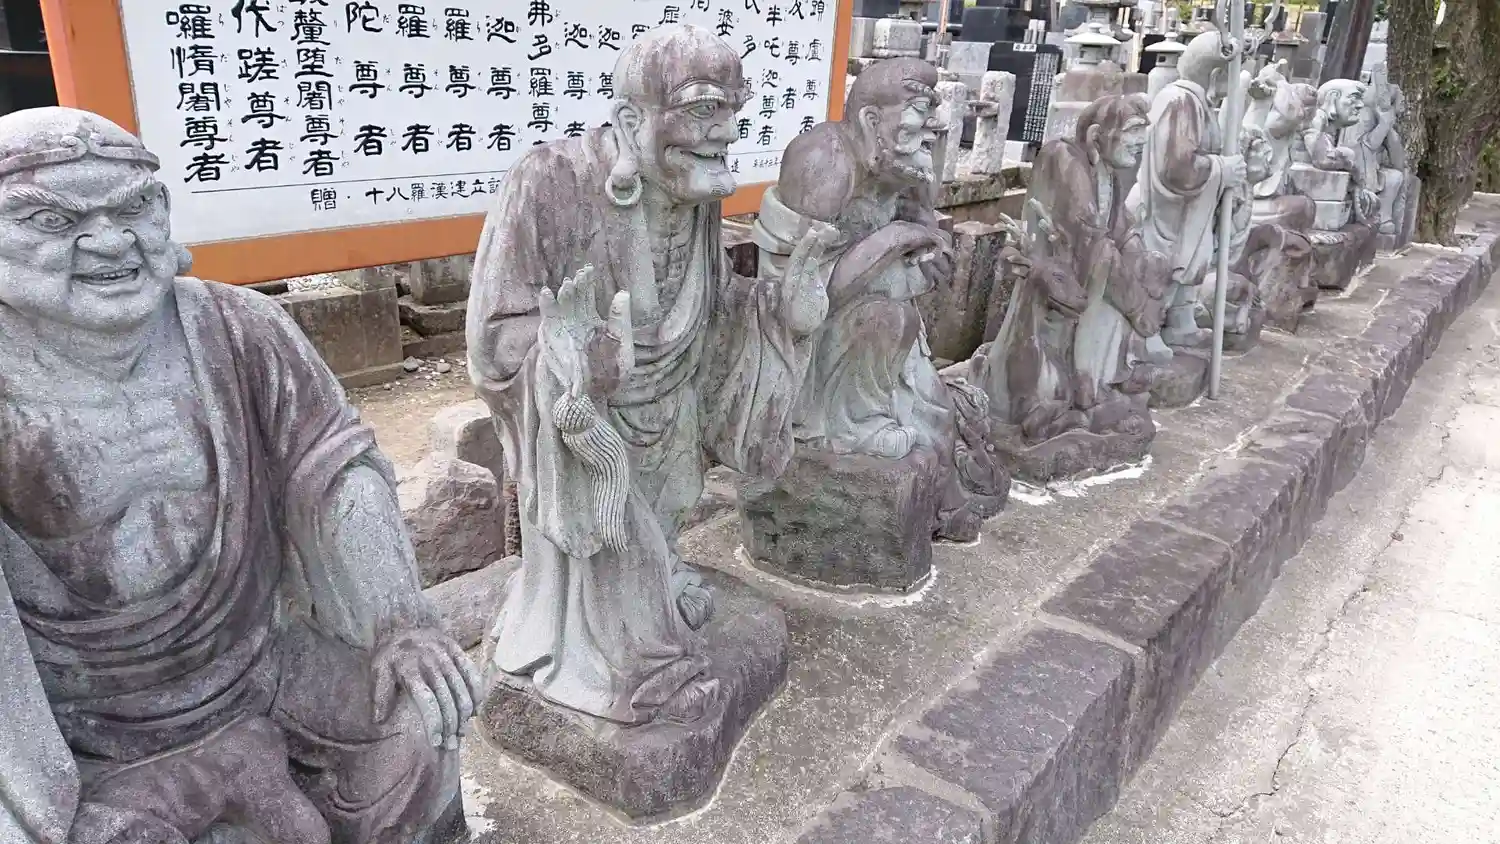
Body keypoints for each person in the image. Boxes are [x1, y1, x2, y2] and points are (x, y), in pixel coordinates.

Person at [0, 107, 479, 844]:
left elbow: (335, 469)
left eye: (132, 208)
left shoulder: (239, 325)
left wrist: (400, 625)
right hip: (88, 721)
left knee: (419, 720)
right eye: (53, 221)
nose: (111, 241)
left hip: (262, 661)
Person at [467, 25, 833, 726]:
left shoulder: (694, 192)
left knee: (656, 542)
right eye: (701, 109)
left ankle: (657, 577)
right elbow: (493, 335)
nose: (725, 131)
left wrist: (782, 317)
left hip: (670, 412)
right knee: (624, 617)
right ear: (631, 119)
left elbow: (714, 310)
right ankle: (606, 649)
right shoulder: (548, 182)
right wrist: (572, 358)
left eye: (733, 110)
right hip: (588, 428)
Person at [1132, 29, 1248, 349]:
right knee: (1165, 264)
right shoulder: (1180, 101)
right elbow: (1176, 168)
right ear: (1215, 75)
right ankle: (1147, 330)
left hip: (1190, 207)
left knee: (1194, 256)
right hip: (1167, 207)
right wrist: (1222, 169)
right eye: (1228, 78)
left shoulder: (1198, 103)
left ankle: (1181, 320)